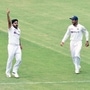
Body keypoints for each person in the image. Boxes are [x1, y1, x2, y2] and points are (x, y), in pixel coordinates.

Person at [6, 10, 22, 78]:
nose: (16, 24)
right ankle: (7, 72)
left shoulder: (19, 30)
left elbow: (18, 37)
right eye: (15, 23)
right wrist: (8, 15)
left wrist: (20, 44)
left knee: (19, 59)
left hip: (17, 46)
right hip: (11, 46)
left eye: (17, 23)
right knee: (10, 58)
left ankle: (14, 71)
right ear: (12, 24)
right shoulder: (11, 28)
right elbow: (9, 22)